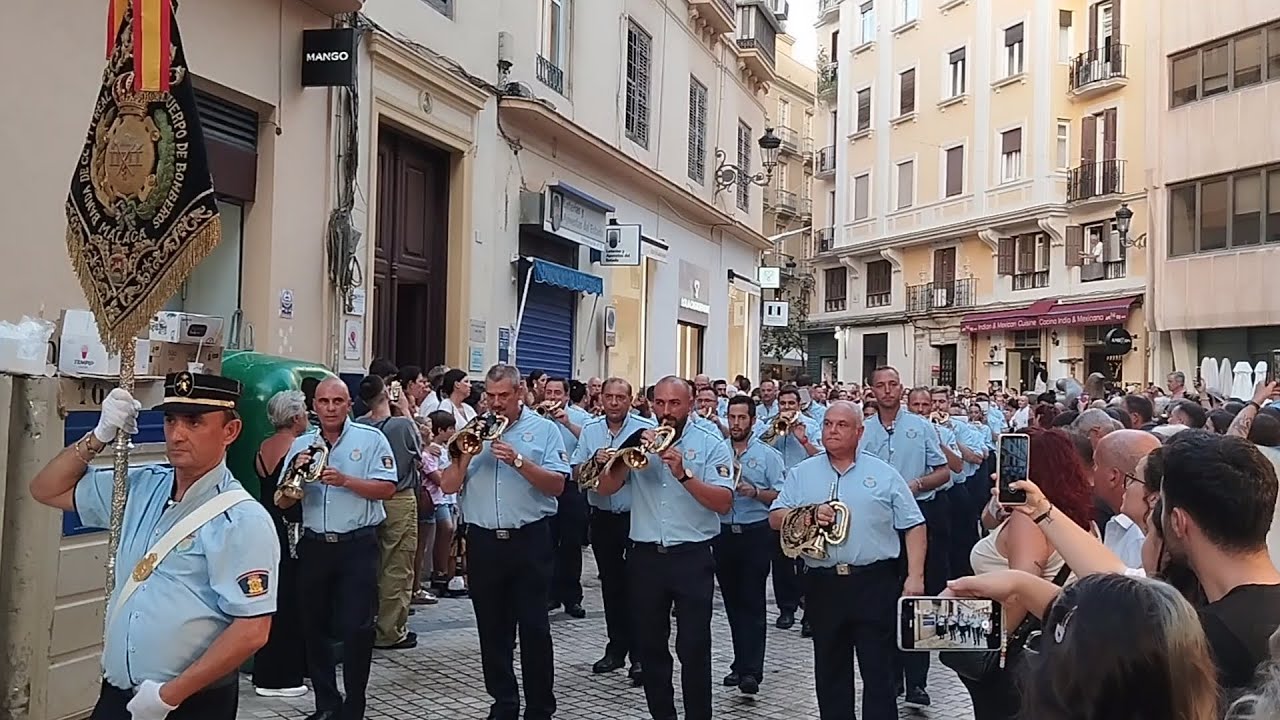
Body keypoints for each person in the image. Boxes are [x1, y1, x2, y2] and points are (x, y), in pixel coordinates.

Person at [29, 372, 279, 720]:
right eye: (170, 420)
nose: (177, 434)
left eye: (194, 422)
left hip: (189, 702)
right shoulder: (141, 487)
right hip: (119, 694)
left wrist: (168, 696)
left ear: (230, 431)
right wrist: (98, 436)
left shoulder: (242, 519)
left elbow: (252, 630)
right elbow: (46, 489)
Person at [769, 401, 926, 720]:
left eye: (841, 425)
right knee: (830, 671)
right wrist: (808, 514)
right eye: (828, 424)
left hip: (873, 582)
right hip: (823, 583)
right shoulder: (803, 472)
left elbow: (914, 524)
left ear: (859, 432)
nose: (832, 431)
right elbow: (775, 517)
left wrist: (915, 576)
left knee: (879, 670)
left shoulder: (884, 473)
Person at [593, 376, 734, 720]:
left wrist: (684, 474)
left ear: (690, 405)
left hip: (692, 556)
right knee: (651, 647)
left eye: (674, 404)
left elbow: (723, 502)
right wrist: (623, 456)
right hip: (645, 558)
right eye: (659, 403)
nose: (666, 411)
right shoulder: (639, 439)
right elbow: (605, 489)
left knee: (694, 646)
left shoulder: (710, 442)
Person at [440, 364, 570, 720]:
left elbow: (557, 485)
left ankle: (540, 708)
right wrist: (466, 454)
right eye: (491, 396)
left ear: (520, 393)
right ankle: (504, 703)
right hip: (484, 542)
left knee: (534, 628)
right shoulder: (472, 430)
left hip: (529, 540)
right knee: (492, 629)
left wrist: (518, 460)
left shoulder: (544, 430)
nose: (496, 403)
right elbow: (449, 485)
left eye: (504, 396)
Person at [282, 378, 398, 720]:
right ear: (313, 407)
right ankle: (326, 705)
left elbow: (388, 488)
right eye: (324, 402)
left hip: (356, 545)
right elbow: (283, 500)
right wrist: (297, 472)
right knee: (314, 627)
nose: (330, 408)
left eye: (337, 401)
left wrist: (346, 481)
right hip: (316, 544)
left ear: (349, 404)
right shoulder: (301, 444)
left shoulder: (371, 439)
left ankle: (354, 705)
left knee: (356, 629)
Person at [864, 370, 949, 707]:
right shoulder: (864, 430)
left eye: (893, 385)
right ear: (872, 391)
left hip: (916, 518)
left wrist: (916, 485)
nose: (887, 391)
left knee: (917, 600)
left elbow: (943, 471)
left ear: (901, 389)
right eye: (880, 386)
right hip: (878, 523)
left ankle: (917, 682)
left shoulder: (921, 427)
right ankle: (891, 676)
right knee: (883, 601)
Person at [571, 378, 654, 685]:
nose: (615, 402)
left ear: (630, 400)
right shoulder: (590, 429)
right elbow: (575, 472)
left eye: (621, 397)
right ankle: (616, 648)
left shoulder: (646, 428)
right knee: (611, 585)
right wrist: (594, 461)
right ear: (601, 399)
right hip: (603, 516)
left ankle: (641, 656)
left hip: (636, 517)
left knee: (640, 588)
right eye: (609, 397)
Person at [716, 395, 785, 695]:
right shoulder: (717, 450)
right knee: (732, 602)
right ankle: (739, 662)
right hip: (722, 532)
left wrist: (755, 492)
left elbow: (782, 495)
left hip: (755, 532)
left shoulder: (768, 455)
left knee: (752, 601)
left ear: (753, 421)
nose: (736, 423)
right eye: (732, 417)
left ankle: (752, 671)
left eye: (742, 418)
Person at [356, 375, 424, 650]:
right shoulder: (401, 425)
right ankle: (391, 631)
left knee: (370, 563)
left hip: (367, 496)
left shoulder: (359, 425)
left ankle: (367, 621)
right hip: (399, 497)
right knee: (397, 565)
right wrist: (405, 408)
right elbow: (418, 449)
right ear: (386, 393)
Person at [252, 390, 311, 697]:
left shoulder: (263, 447)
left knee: (271, 596)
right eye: (305, 412)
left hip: (265, 524)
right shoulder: (296, 448)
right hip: (290, 528)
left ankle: (269, 669)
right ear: (296, 416)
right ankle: (284, 674)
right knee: (290, 599)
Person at [542, 376, 591, 618]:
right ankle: (549, 594)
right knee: (546, 541)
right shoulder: (537, 417)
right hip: (545, 484)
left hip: (572, 485)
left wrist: (567, 423)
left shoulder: (582, 418)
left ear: (567, 396)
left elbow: (592, 443)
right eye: (549, 393)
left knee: (571, 544)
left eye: (557, 393)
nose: (552, 398)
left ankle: (572, 597)